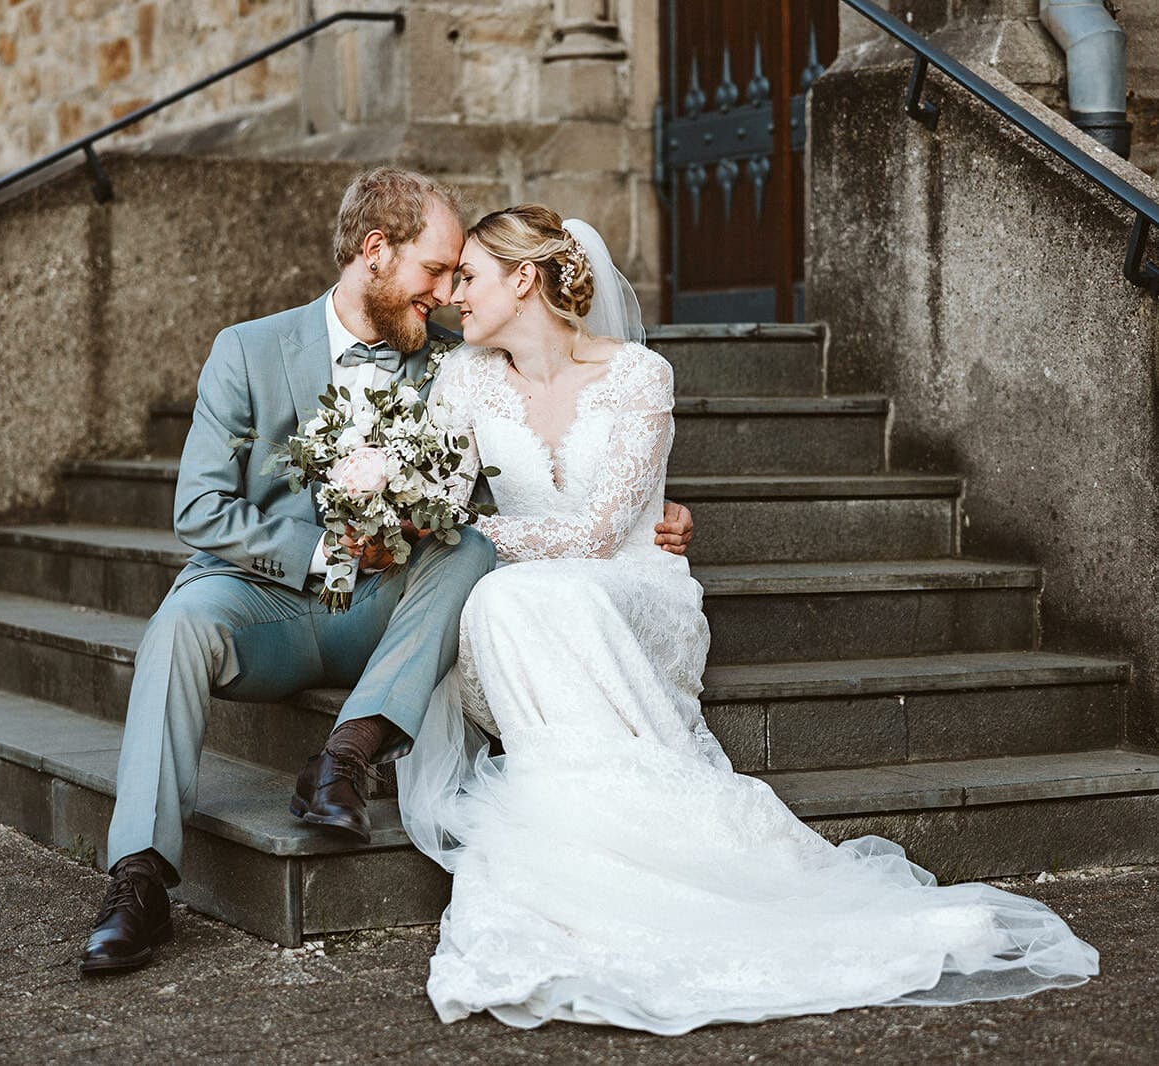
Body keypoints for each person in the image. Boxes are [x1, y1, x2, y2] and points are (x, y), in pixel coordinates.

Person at [397, 204, 1099, 1032]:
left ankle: (617, 842)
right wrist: (418, 516)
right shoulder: (463, 377)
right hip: (533, 601)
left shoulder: (638, 376)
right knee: (513, 595)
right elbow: (430, 507)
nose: (453, 296)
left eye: (468, 276)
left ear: (524, 279)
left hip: (630, 586)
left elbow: (598, 534)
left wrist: (471, 531)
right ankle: (590, 827)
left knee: (525, 592)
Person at [78, 170, 697, 975]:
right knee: (177, 626)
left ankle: (346, 757)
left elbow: (524, 468)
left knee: (466, 549)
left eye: (457, 277)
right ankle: (138, 878)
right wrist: (323, 553)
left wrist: (654, 507)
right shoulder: (248, 351)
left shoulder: (456, 359)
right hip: (265, 600)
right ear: (375, 251)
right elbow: (199, 510)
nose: (445, 295)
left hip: (394, 608)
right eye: (435, 271)